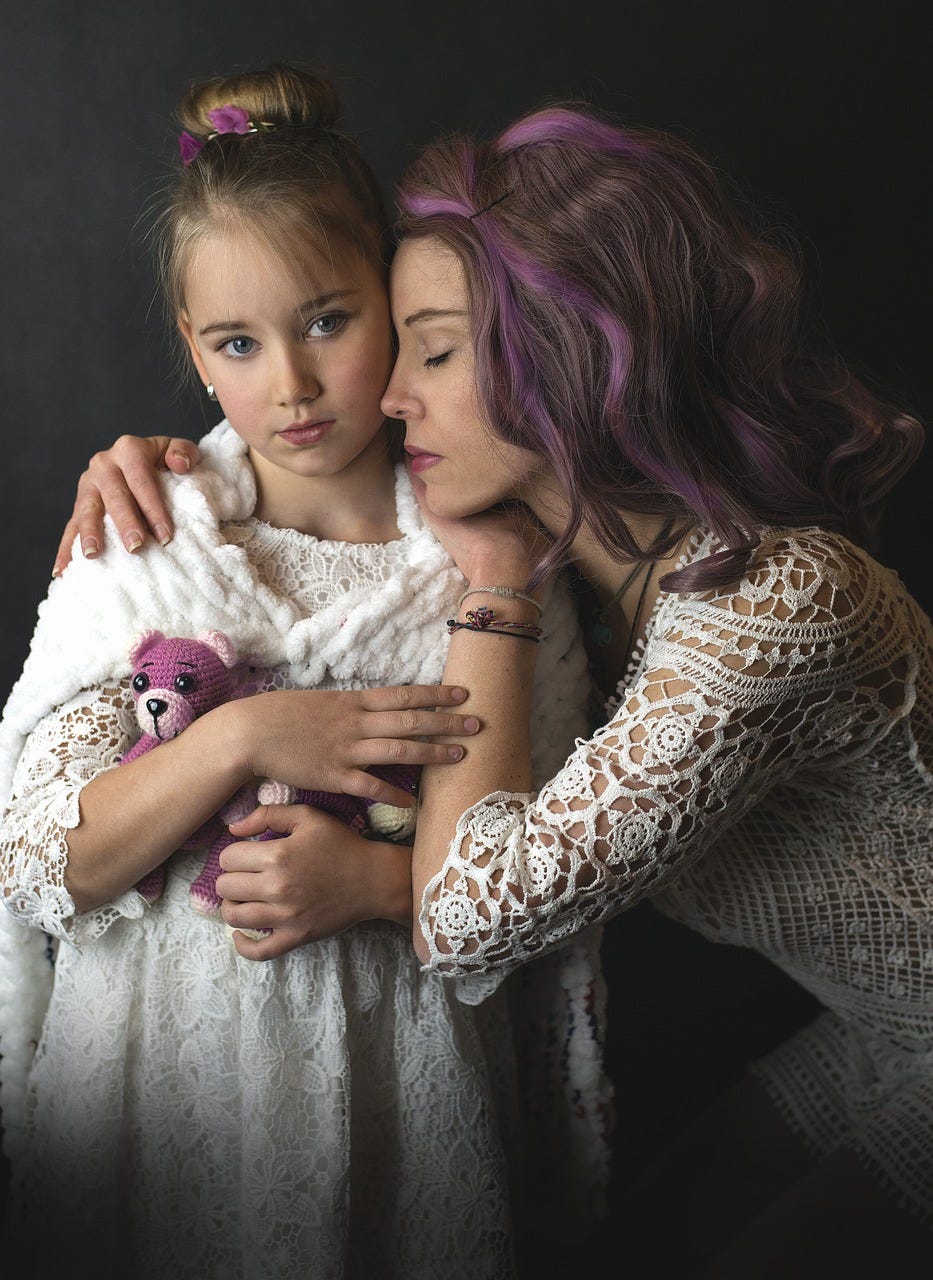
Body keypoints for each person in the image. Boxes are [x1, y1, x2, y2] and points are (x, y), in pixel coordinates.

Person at [71, 103, 933, 1271]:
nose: (385, 394)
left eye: (430, 349)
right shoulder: (611, 579)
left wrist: (492, 582)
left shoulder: (774, 608)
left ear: (561, 362)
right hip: (886, 1033)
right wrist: (162, 462)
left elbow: (477, 911)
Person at [0, 68, 606, 1279]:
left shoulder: (487, 569)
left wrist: (380, 875)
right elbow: (36, 861)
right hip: (151, 1087)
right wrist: (243, 736)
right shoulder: (144, 544)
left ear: (393, 292)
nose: (292, 383)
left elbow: (540, 877)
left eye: (328, 319)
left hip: (403, 1086)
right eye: (239, 341)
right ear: (192, 345)